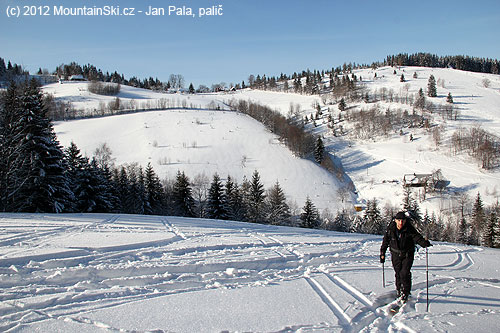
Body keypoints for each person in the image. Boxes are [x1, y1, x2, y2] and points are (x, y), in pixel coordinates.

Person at [380, 211, 431, 302]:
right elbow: (385, 241)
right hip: (395, 254)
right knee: (398, 273)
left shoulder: (409, 229)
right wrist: (382, 253)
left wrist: (424, 243)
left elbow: (416, 237)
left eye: (403, 220)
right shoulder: (391, 230)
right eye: (399, 220)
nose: (401, 223)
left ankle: (406, 293)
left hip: (408, 254)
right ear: (395, 220)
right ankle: (399, 290)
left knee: (404, 273)